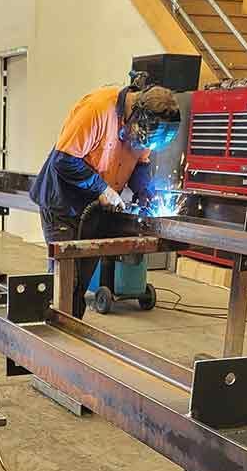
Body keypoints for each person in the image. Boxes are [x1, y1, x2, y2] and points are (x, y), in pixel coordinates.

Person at [30, 82, 181, 315]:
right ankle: (53, 328)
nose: (142, 145)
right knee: (65, 282)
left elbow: (140, 165)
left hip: (95, 212)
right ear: (135, 115)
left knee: (80, 285)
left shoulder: (148, 129)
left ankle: (71, 327)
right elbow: (63, 161)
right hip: (63, 205)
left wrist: (145, 192)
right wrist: (103, 189)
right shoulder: (97, 108)